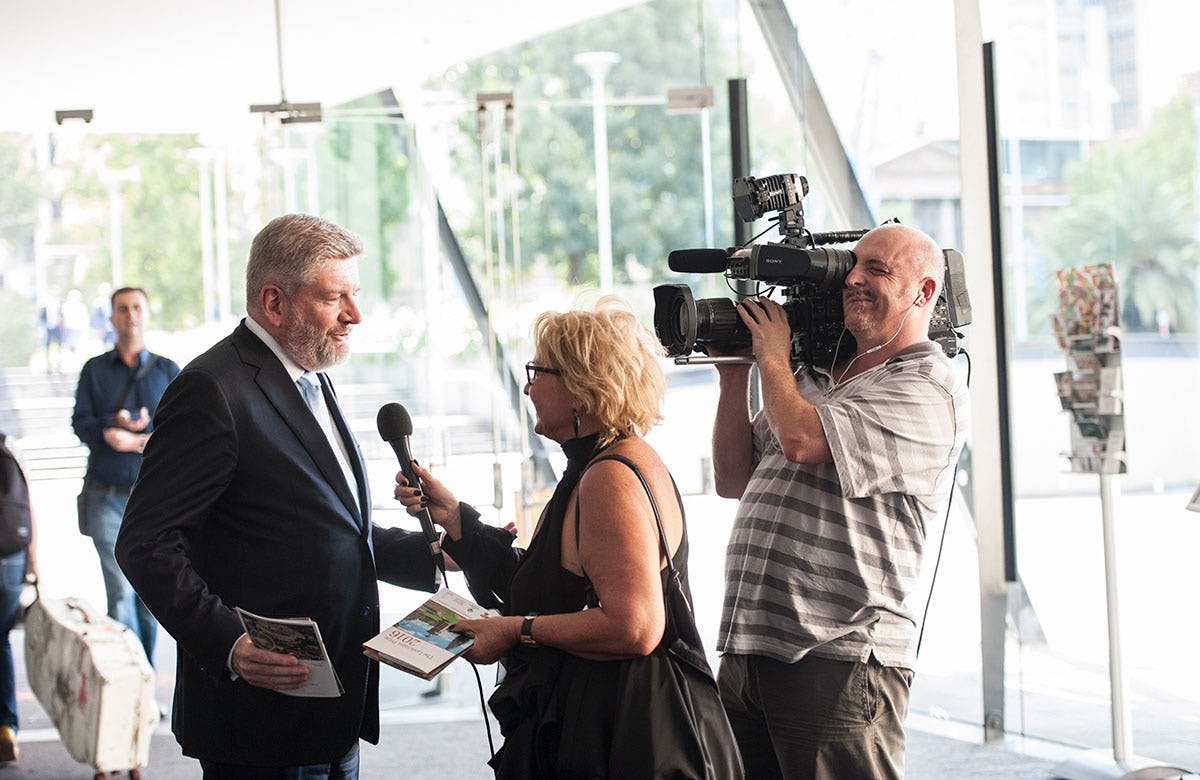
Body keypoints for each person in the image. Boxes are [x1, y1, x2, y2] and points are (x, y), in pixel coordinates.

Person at [115, 213, 439, 779]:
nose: (354, 315)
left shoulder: (310, 372)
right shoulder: (212, 390)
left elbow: (328, 528)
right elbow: (145, 543)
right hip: (261, 721)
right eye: (336, 297)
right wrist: (230, 646)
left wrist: (432, 553)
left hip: (333, 712)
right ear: (275, 302)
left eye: (354, 295)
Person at [393, 296, 742, 778]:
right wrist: (456, 518)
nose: (527, 387)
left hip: (617, 739)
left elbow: (635, 627)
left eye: (537, 373)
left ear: (581, 388)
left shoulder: (609, 477)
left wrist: (514, 630)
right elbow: (552, 587)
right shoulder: (604, 459)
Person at [710, 223, 969, 779]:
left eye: (877, 269)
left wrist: (773, 360)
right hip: (751, 646)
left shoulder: (927, 387)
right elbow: (733, 478)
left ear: (924, 293)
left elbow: (803, 442)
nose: (853, 278)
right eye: (853, 266)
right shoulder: (813, 377)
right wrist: (736, 373)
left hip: (840, 655)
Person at [71, 286, 180, 665]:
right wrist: (108, 427)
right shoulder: (94, 370)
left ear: (146, 314)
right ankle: (130, 680)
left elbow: (185, 430)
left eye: (136, 307)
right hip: (105, 495)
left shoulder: (168, 370)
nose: (130, 315)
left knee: (149, 591)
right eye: (122, 308)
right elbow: (79, 424)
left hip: (152, 499)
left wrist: (139, 440)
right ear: (112, 317)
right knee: (119, 589)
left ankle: (143, 677)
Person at [0, 433, 37, 764]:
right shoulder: (10, 446)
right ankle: (7, 727)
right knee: (1, 640)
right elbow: (27, 504)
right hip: (12, 557)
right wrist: (32, 559)